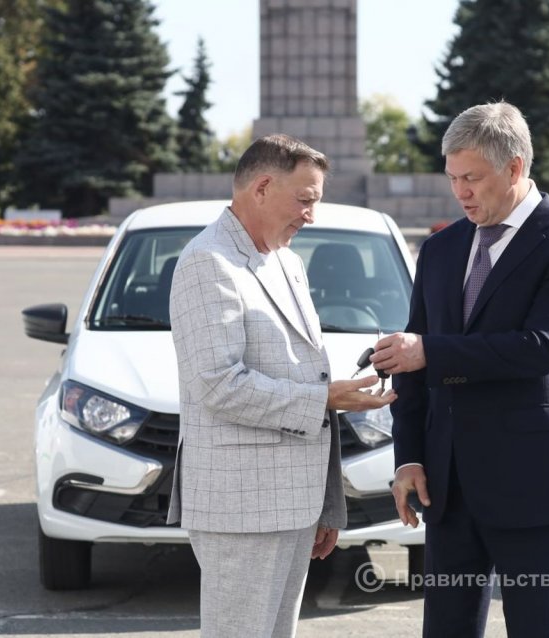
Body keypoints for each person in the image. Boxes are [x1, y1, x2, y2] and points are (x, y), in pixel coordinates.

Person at [371, 102, 549, 637]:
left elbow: (538, 349)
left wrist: (431, 352)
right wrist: (409, 458)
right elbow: (410, 363)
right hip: (447, 491)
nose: (461, 192)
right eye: (453, 178)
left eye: (472, 178)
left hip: (533, 487)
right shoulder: (440, 249)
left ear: (514, 167)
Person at [167, 134, 396, 637]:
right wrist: (325, 399)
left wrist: (324, 503)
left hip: (295, 504)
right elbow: (218, 384)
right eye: (305, 200)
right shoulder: (208, 262)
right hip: (241, 508)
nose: (311, 216)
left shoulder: (286, 260)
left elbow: (304, 372)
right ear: (262, 188)